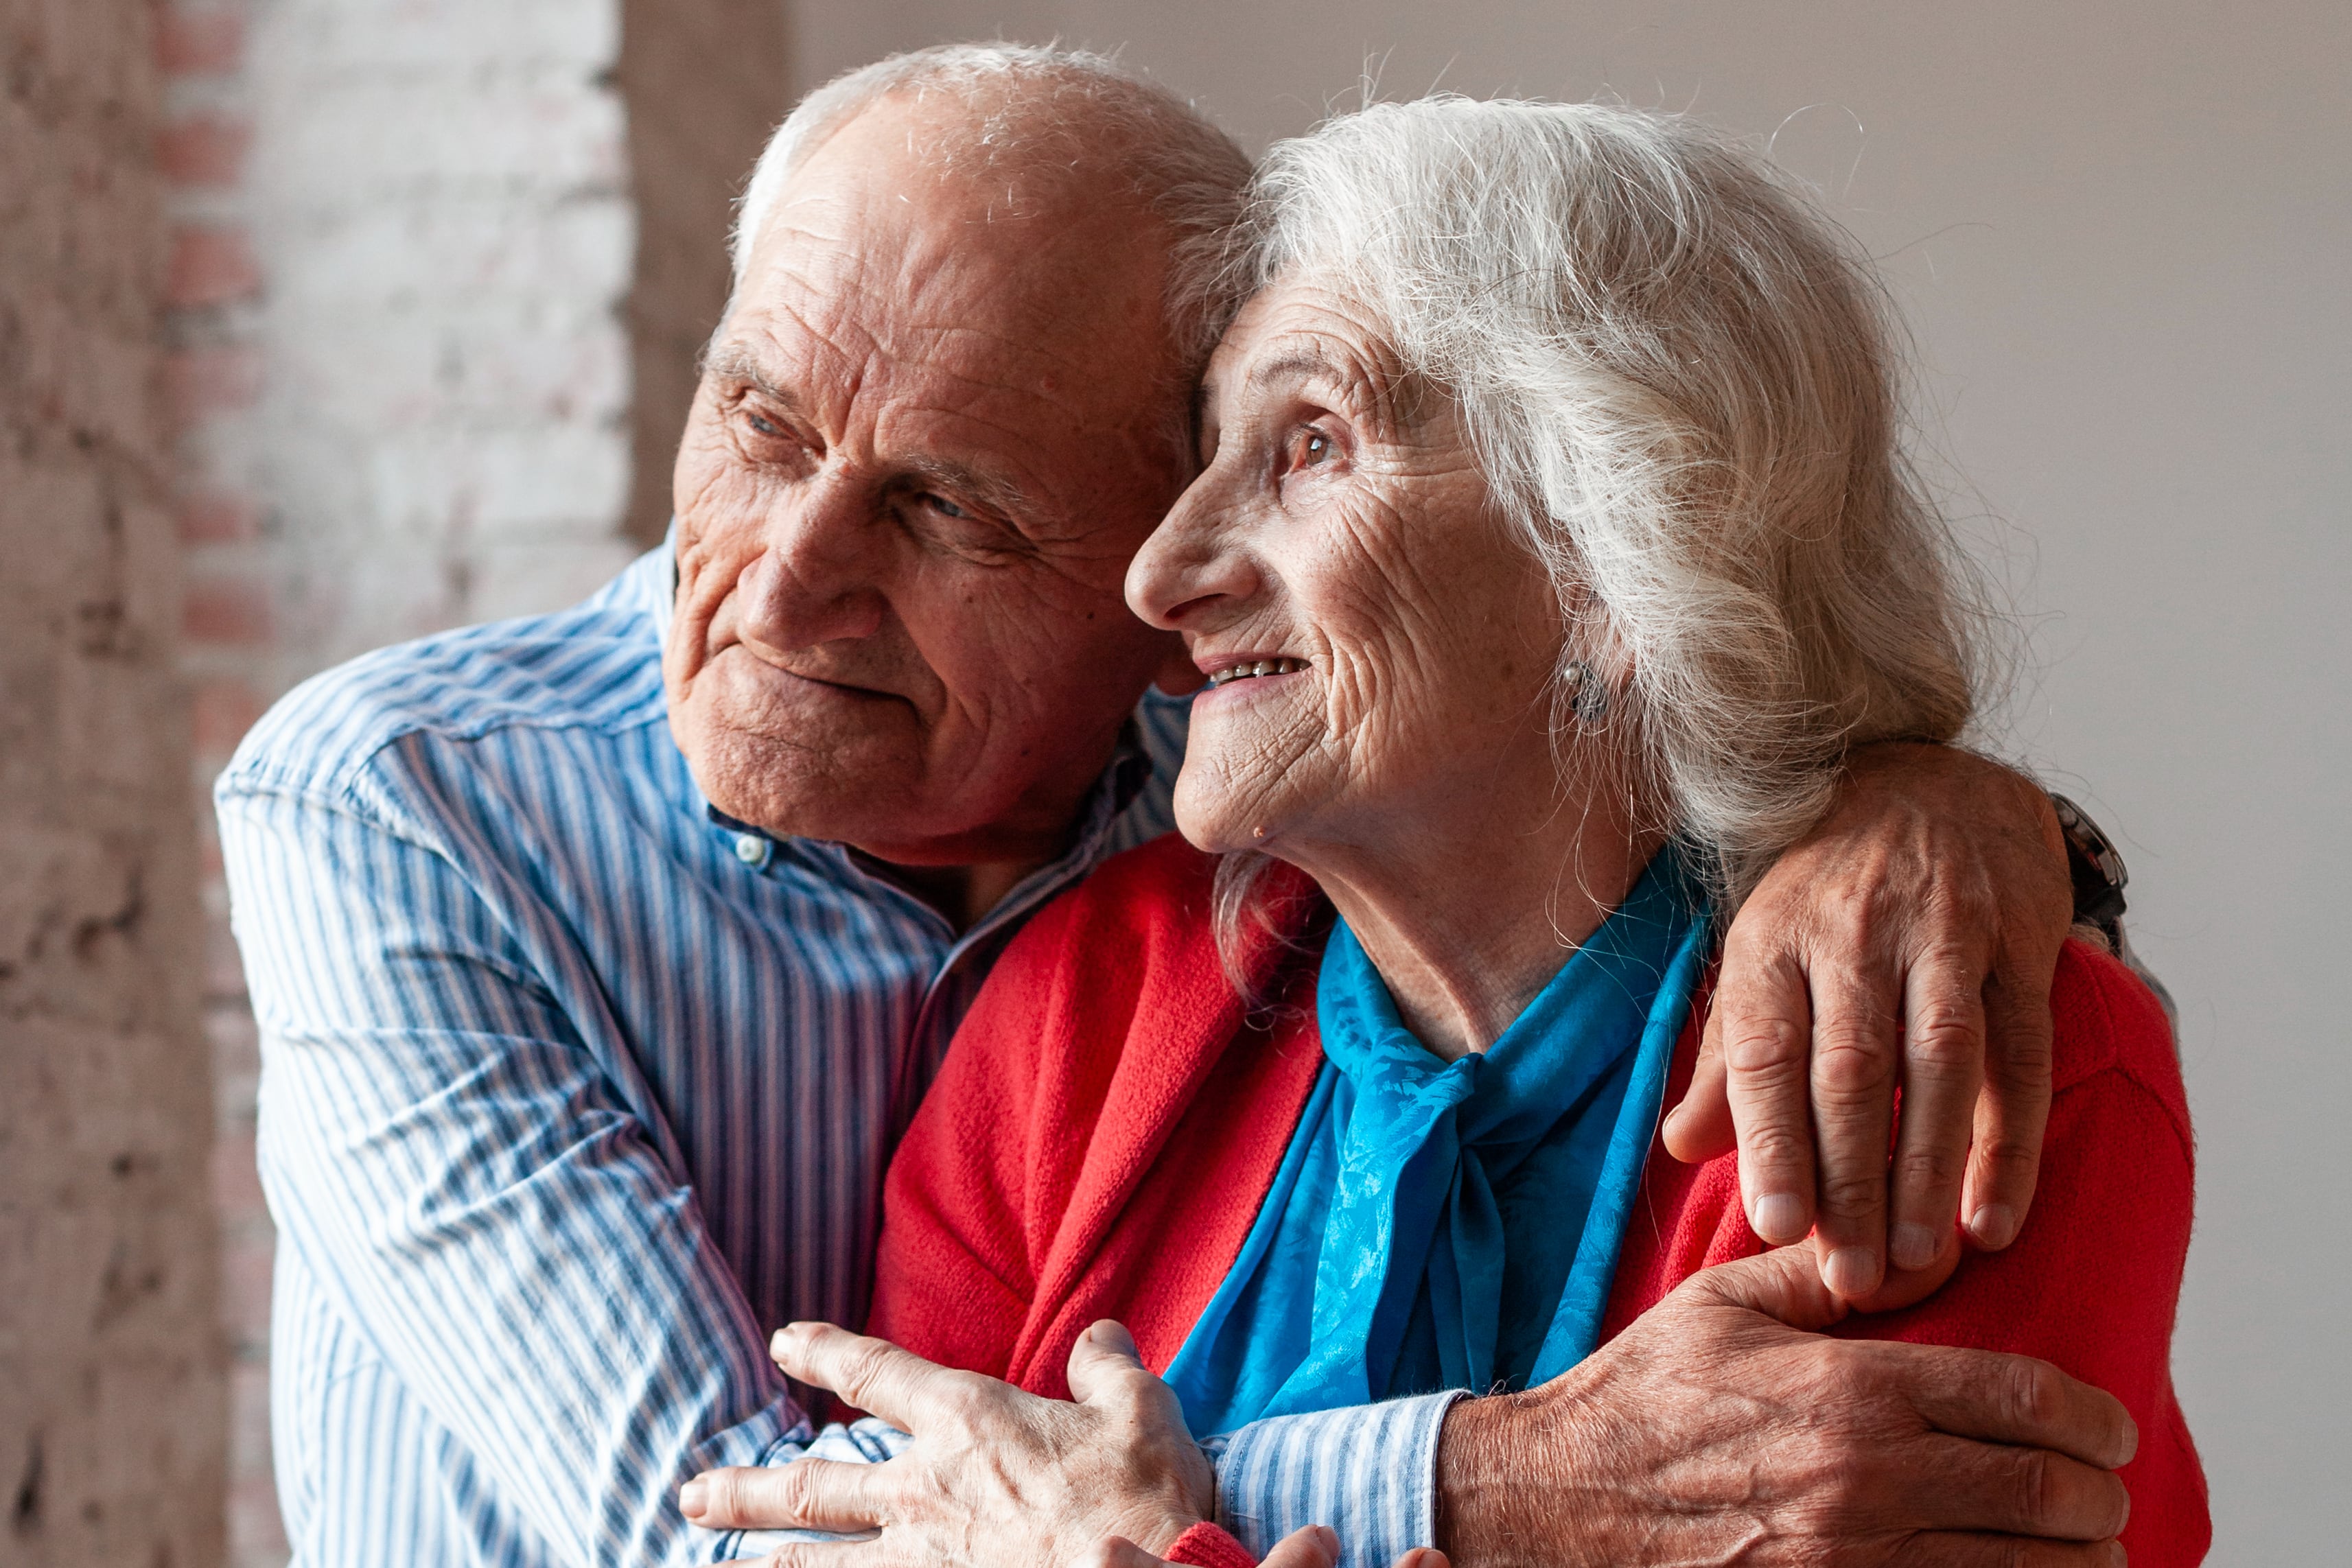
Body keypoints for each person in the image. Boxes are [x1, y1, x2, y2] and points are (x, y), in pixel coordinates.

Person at [218, 46, 2125, 1568]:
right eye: (758, 423)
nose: (781, 586)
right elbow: (747, 1538)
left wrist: (1932, 796)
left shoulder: (1223, 815)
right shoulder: (405, 807)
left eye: (951, 507)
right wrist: (1490, 1492)